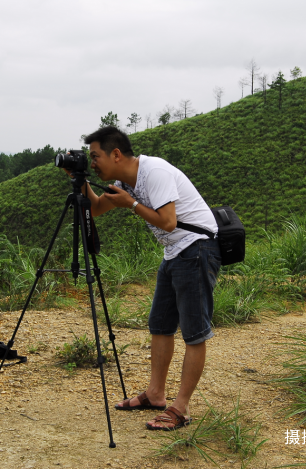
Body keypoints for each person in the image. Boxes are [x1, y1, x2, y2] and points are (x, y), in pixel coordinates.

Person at [73, 126, 221, 431]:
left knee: (193, 332)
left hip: (196, 249)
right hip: (174, 253)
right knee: (160, 325)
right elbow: (98, 208)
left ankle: (180, 408)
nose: (94, 162)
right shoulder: (123, 181)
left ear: (116, 154)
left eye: (95, 156)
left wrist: (132, 204)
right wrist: (80, 182)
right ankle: (155, 394)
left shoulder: (153, 171)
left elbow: (168, 222)